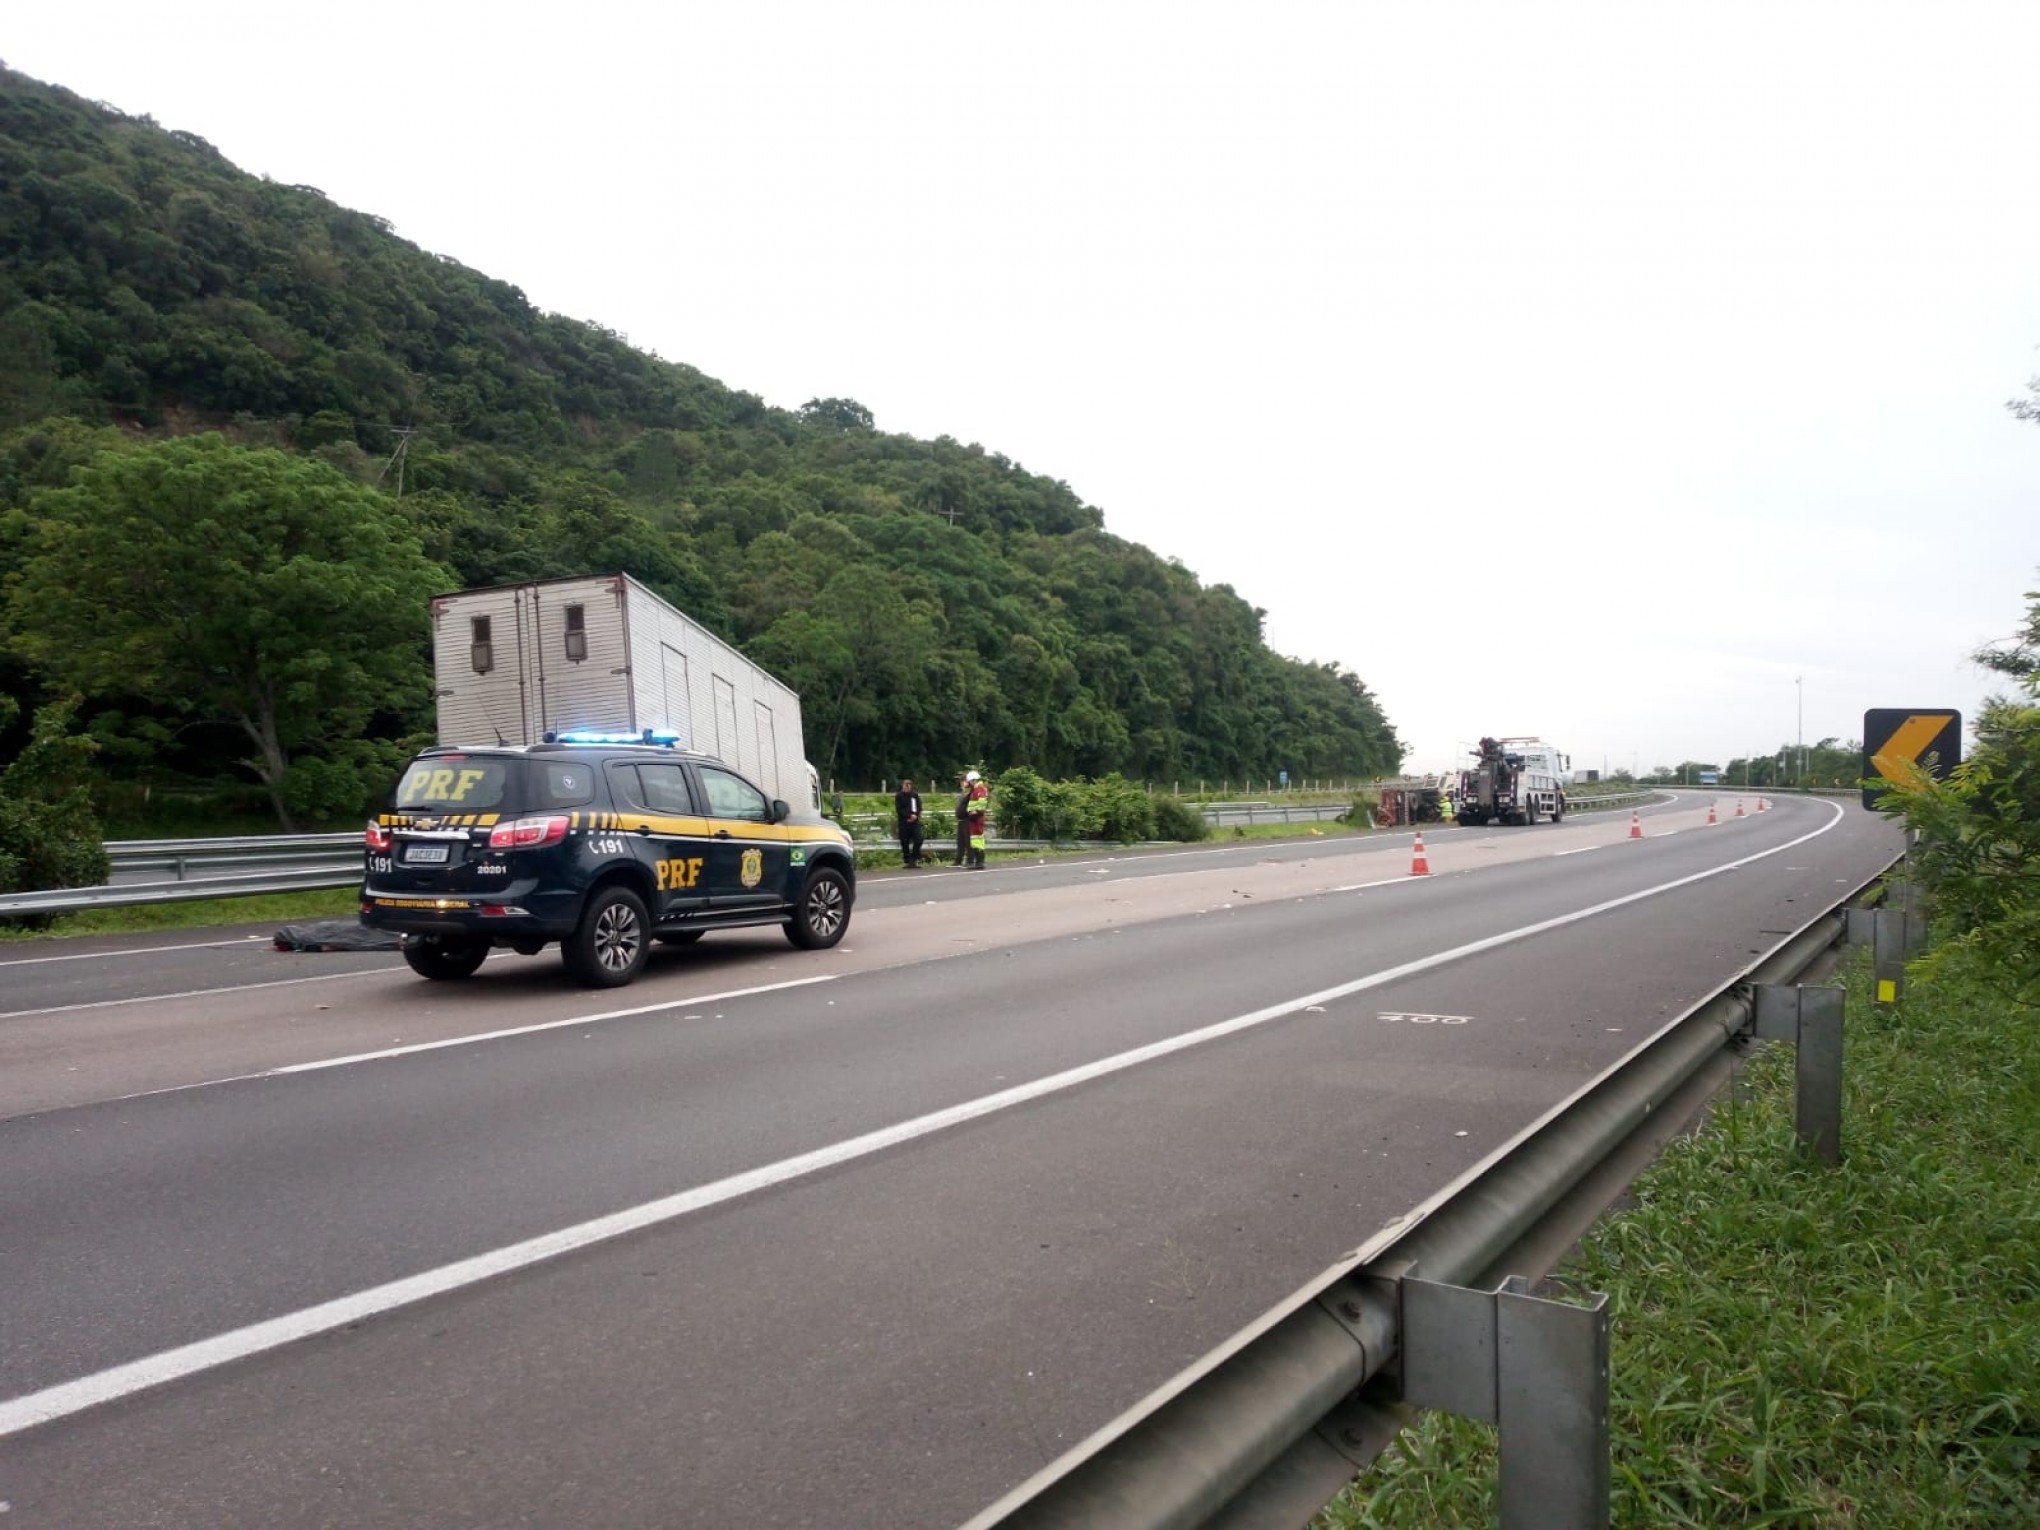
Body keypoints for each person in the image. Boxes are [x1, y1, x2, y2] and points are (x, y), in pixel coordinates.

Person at [894, 778, 924, 867]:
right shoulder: (899, 796)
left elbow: (919, 807)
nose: (907, 788)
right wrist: (908, 816)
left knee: (919, 839)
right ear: (903, 786)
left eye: (908, 786)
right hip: (904, 822)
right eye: (905, 786)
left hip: (914, 822)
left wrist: (915, 815)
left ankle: (914, 858)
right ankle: (907, 861)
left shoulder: (914, 795)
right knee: (904, 842)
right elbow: (899, 809)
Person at [964, 769, 989, 869]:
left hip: (977, 817)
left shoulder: (980, 789)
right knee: (976, 840)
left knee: (978, 839)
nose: (969, 783)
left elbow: (982, 802)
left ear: (973, 780)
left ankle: (979, 862)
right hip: (974, 817)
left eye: (970, 781)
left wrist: (977, 811)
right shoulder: (976, 788)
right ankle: (978, 862)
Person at [953, 772, 973, 866]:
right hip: (961, 820)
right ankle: (958, 860)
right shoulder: (964, 793)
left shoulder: (972, 792)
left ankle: (970, 860)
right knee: (960, 841)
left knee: (967, 841)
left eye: (963, 782)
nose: (962, 784)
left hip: (967, 819)